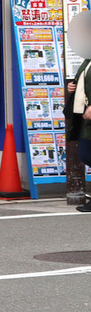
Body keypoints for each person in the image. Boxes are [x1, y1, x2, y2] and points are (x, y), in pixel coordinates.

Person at [65, 58, 91, 212]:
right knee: (85, 153)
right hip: (84, 117)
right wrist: (73, 86)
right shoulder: (87, 60)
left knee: (86, 154)